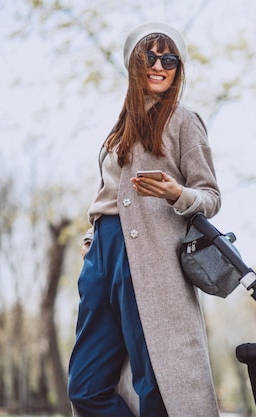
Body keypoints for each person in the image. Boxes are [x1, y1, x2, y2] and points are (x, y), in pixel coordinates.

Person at [67, 22, 221, 417]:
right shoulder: (120, 127)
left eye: (168, 58)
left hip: (152, 256)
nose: (159, 65)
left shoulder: (185, 121)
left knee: (157, 382)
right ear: (134, 63)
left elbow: (210, 196)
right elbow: (109, 192)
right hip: (103, 252)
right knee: (85, 386)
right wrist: (92, 240)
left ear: (177, 67)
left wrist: (177, 193)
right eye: (149, 56)